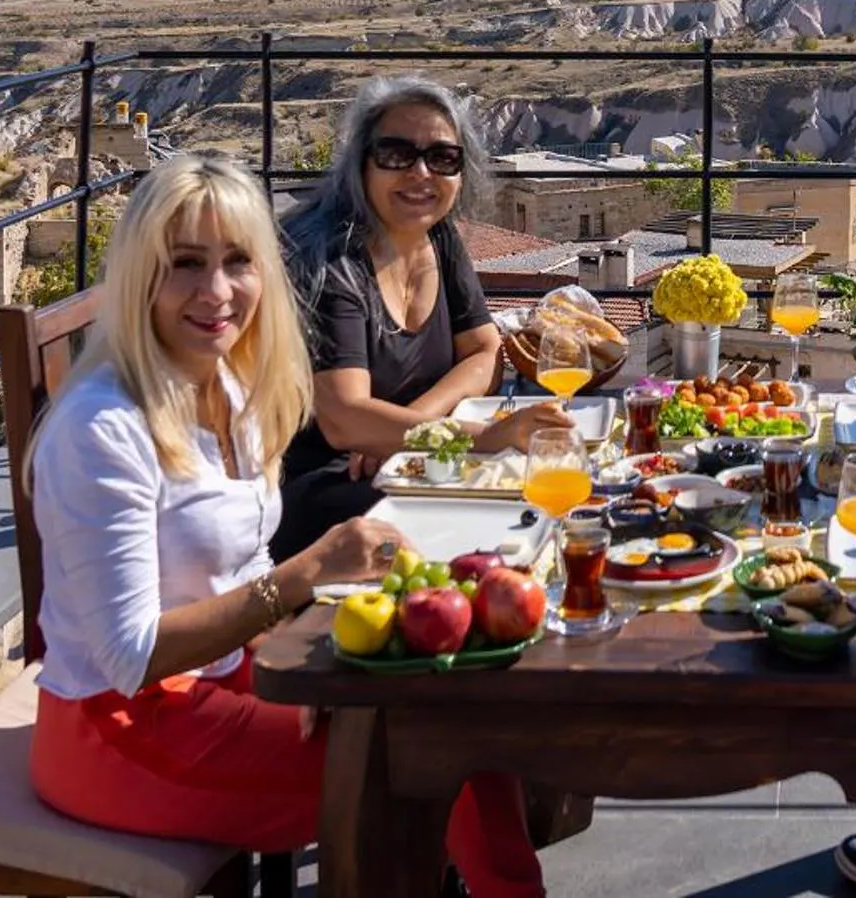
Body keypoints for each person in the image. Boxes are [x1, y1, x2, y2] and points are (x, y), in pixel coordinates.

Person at [27, 154, 544, 897]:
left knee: (458, 706)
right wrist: (305, 576)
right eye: (185, 264)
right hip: (125, 732)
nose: (216, 291)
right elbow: (129, 658)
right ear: (141, 276)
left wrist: (309, 666)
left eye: (238, 261)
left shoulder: (228, 381)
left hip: (232, 677)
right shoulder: (103, 427)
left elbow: (231, 572)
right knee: (432, 757)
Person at [270, 75, 570, 563]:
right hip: (332, 486)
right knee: (510, 522)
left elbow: (485, 350)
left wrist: (413, 434)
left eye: (443, 158)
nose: (421, 173)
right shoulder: (328, 262)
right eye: (396, 154)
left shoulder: (439, 237)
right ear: (360, 163)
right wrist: (484, 437)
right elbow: (346, 421)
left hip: (411, 465)